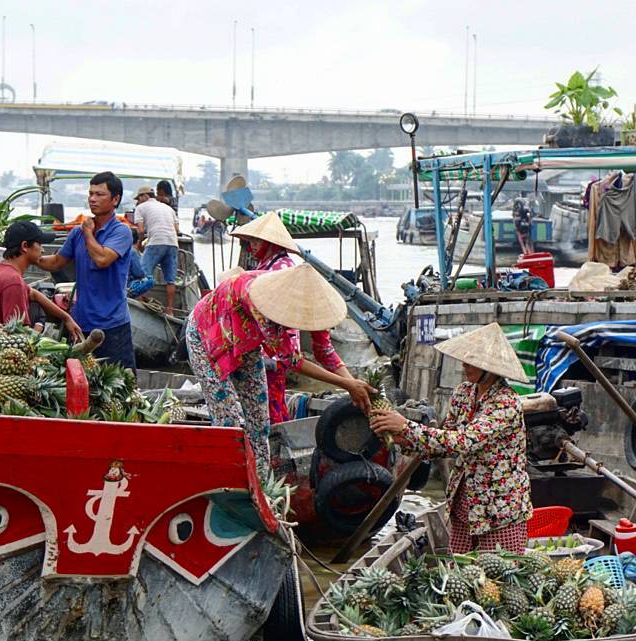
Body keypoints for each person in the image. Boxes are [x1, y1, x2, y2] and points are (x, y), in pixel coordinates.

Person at [186, 263, 373, 482]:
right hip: (207, 335)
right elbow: (292, 361)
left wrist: (354, 385)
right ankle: (228, 481)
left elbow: (325, 351)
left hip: (245, 343)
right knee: (229, 423)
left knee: (260, 422)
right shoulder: (262, 299)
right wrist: (348, 386)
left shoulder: (312, 310)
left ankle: (261, 483)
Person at [369, 322, 532, 554]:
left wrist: (405, 425)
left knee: (497, 579)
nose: (465, 364)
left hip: (499, 508)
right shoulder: (464, 394)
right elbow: (446, 443)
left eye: (472, 361)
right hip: (464, 502)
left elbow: (464, 441)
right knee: (460, 572)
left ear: (491, 369)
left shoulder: (506, 402)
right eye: (465, 358)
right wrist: (403, 440)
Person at [232, 211, 355, 424]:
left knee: (268, 414)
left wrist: (351, 384)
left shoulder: (278, 271)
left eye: (255, 241)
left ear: (269, 243)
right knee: (271, 411)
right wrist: (350, 383)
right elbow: (321, 351)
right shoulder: (268, 267)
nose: (251, 245)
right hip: (271, 356)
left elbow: (313, 349)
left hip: (272, 356)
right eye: (250, 240)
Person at [38, 172, 136, 368]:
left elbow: (102, 259)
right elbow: (57, 261)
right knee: (82, 384)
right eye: (91, 193)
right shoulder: (77, 232)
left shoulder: (121, 231)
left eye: (100, 194)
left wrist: (88, 233)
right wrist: (28, 256)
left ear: (115, 199)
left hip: (113, 326)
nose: (92, 199)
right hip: (81, 323)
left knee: (123, 386)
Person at [0, 221, 84, 341]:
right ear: (25, 246)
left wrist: (66, 318)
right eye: (39, 244)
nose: (42, 250)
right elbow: (18, 336)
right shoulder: (13, 281)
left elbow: (33, 294)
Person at [133, 185, 180, 316]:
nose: (138, 201)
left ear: (144, 196)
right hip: (172, 243)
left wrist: (139, 244)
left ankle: (142, 304)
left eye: (139, 198)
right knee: (170, 279)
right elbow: (177, 230)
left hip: (156, 242)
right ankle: (170, 310)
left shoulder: (141, 208)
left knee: (141, 274)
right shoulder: (168, 208)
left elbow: (141, 230)